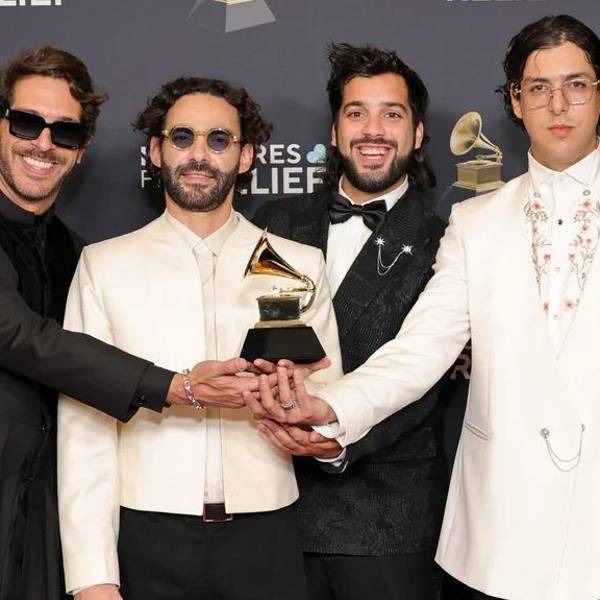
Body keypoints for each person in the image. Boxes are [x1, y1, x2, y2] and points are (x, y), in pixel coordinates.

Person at [247, 14, 600, 600]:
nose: (557, 104)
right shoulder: (475, 222)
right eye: (539, 87)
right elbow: (419, 351)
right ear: (516, 102)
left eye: (577, 84)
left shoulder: (436, 227)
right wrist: (330, 409)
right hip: (501, 529)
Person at [57, 76, 342, 600]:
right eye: (182, 137)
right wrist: (92, 576)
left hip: (267, 535)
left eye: (219, 139)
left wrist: (320, 434)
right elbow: (85, 429)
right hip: (146, 536)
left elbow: (330, 403)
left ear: (247, 155)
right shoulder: (104, 266)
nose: (199, 155)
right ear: (155, 150)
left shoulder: (301, 265)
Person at [0, 47, 263, 600]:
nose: (43, 144)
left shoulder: (74, 251)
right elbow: (21, 336)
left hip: (42, 516)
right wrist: (177, 386)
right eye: (26, 122)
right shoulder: (97, 260)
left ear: (81, 150)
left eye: (65, 132)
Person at [253, 43, 447, 600]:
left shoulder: (445, 242)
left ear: (418, 133)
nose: (373, 130)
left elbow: (424, 376)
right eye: (356, 112)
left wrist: (336, 444)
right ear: (335, 132)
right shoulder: (276, 221)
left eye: (393, 114)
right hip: (274, 508)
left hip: (386, 518)